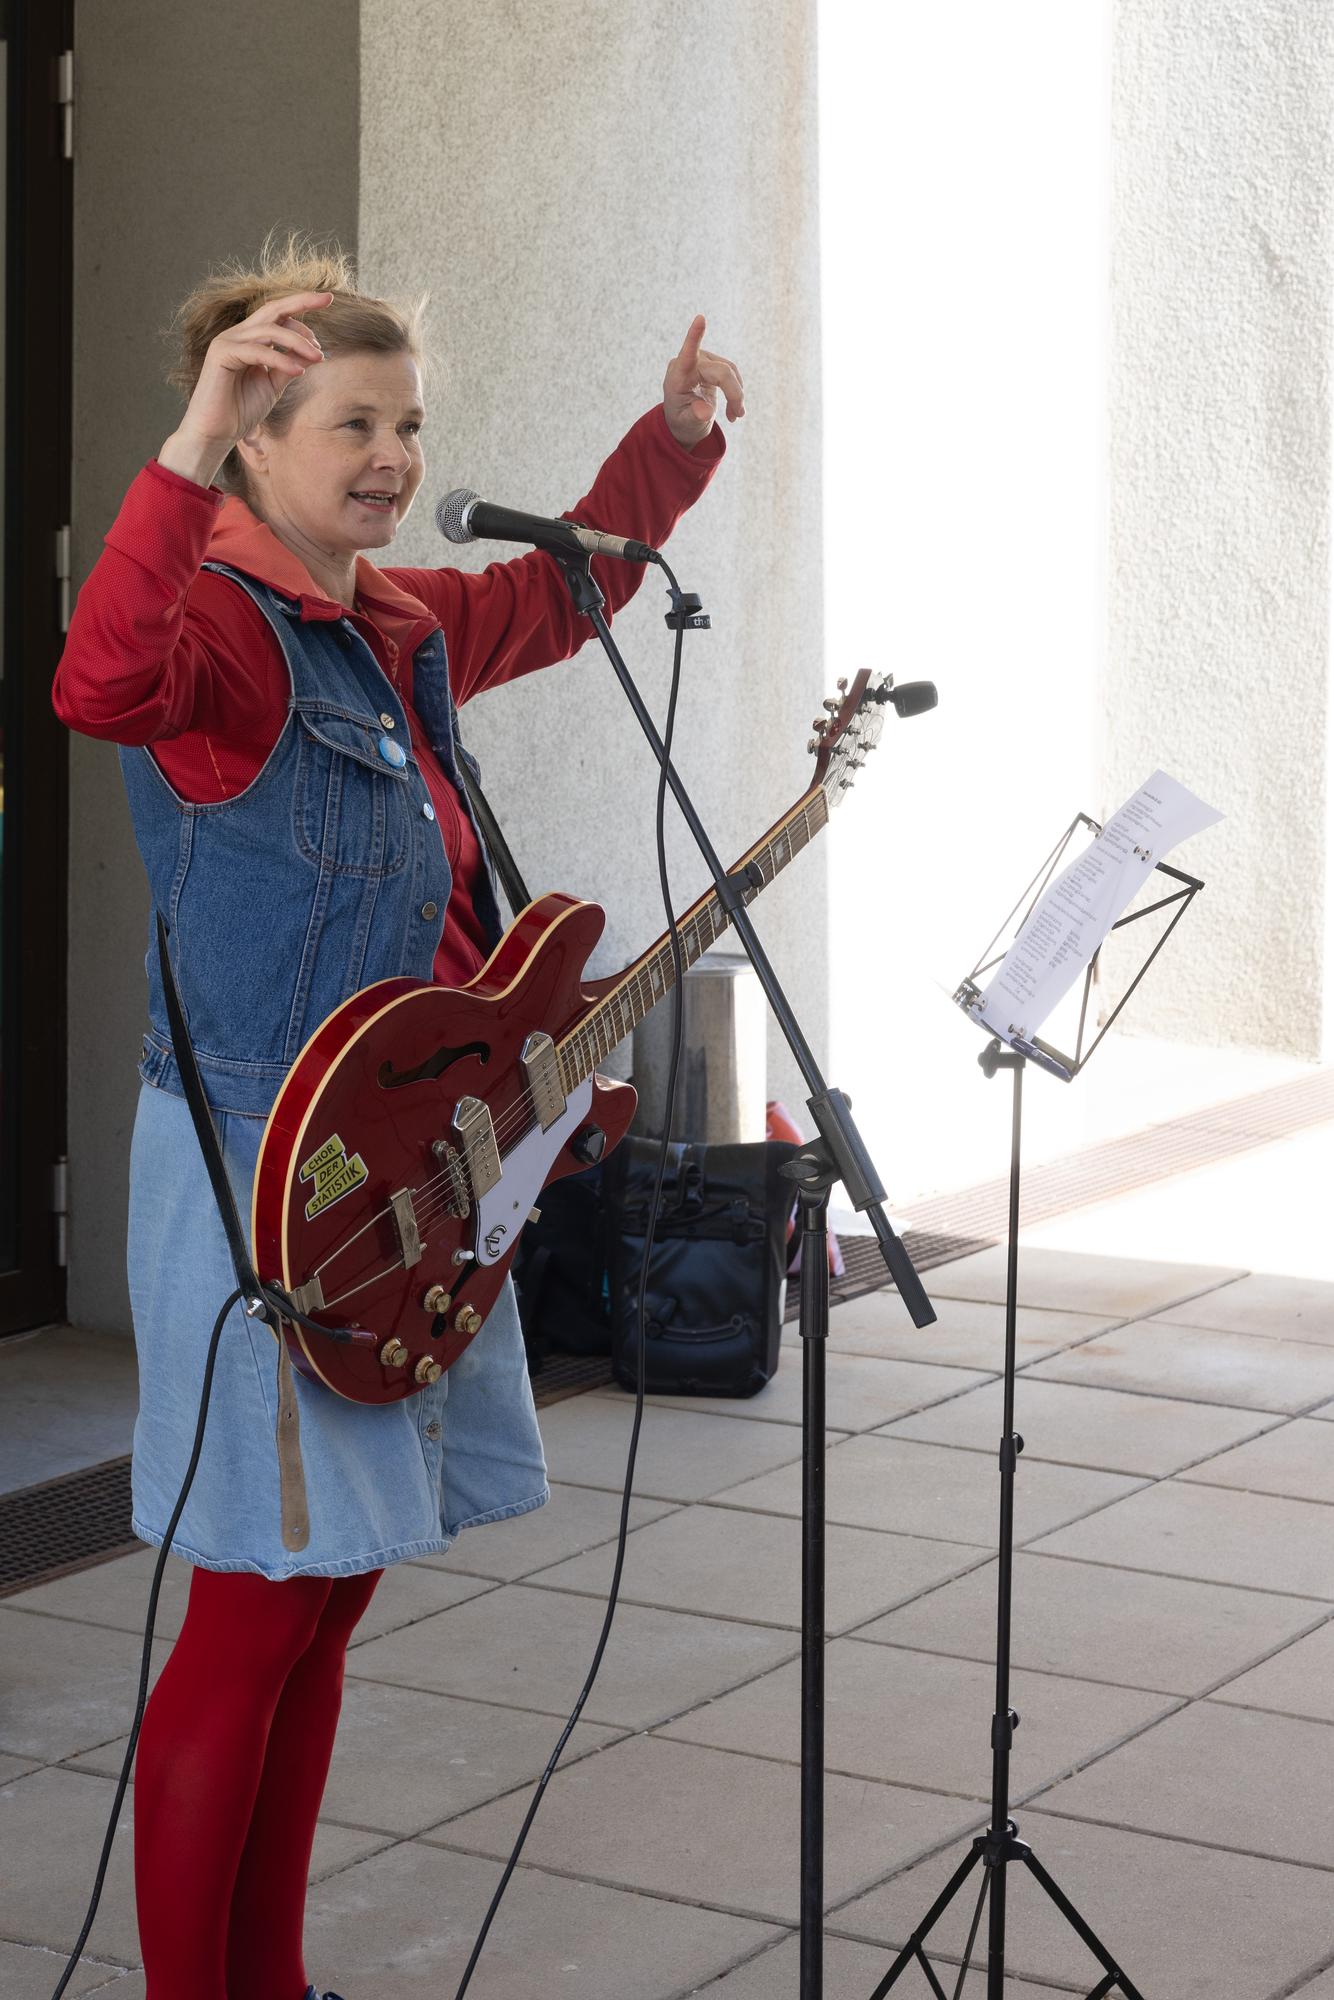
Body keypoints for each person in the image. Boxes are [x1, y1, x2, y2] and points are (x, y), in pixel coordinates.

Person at [52, 231, 743, 2000]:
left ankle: (270, 1980)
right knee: (257, 1605)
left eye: (408, 424)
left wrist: (665, 449)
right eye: (351, 425)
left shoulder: (396, 620)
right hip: (270, 1178)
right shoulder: (219, 629)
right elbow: (98, 684)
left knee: (334, 1591)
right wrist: (183, 442)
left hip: (413, 1166)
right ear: (254, 441)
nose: (392, 458)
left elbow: (560, 599)